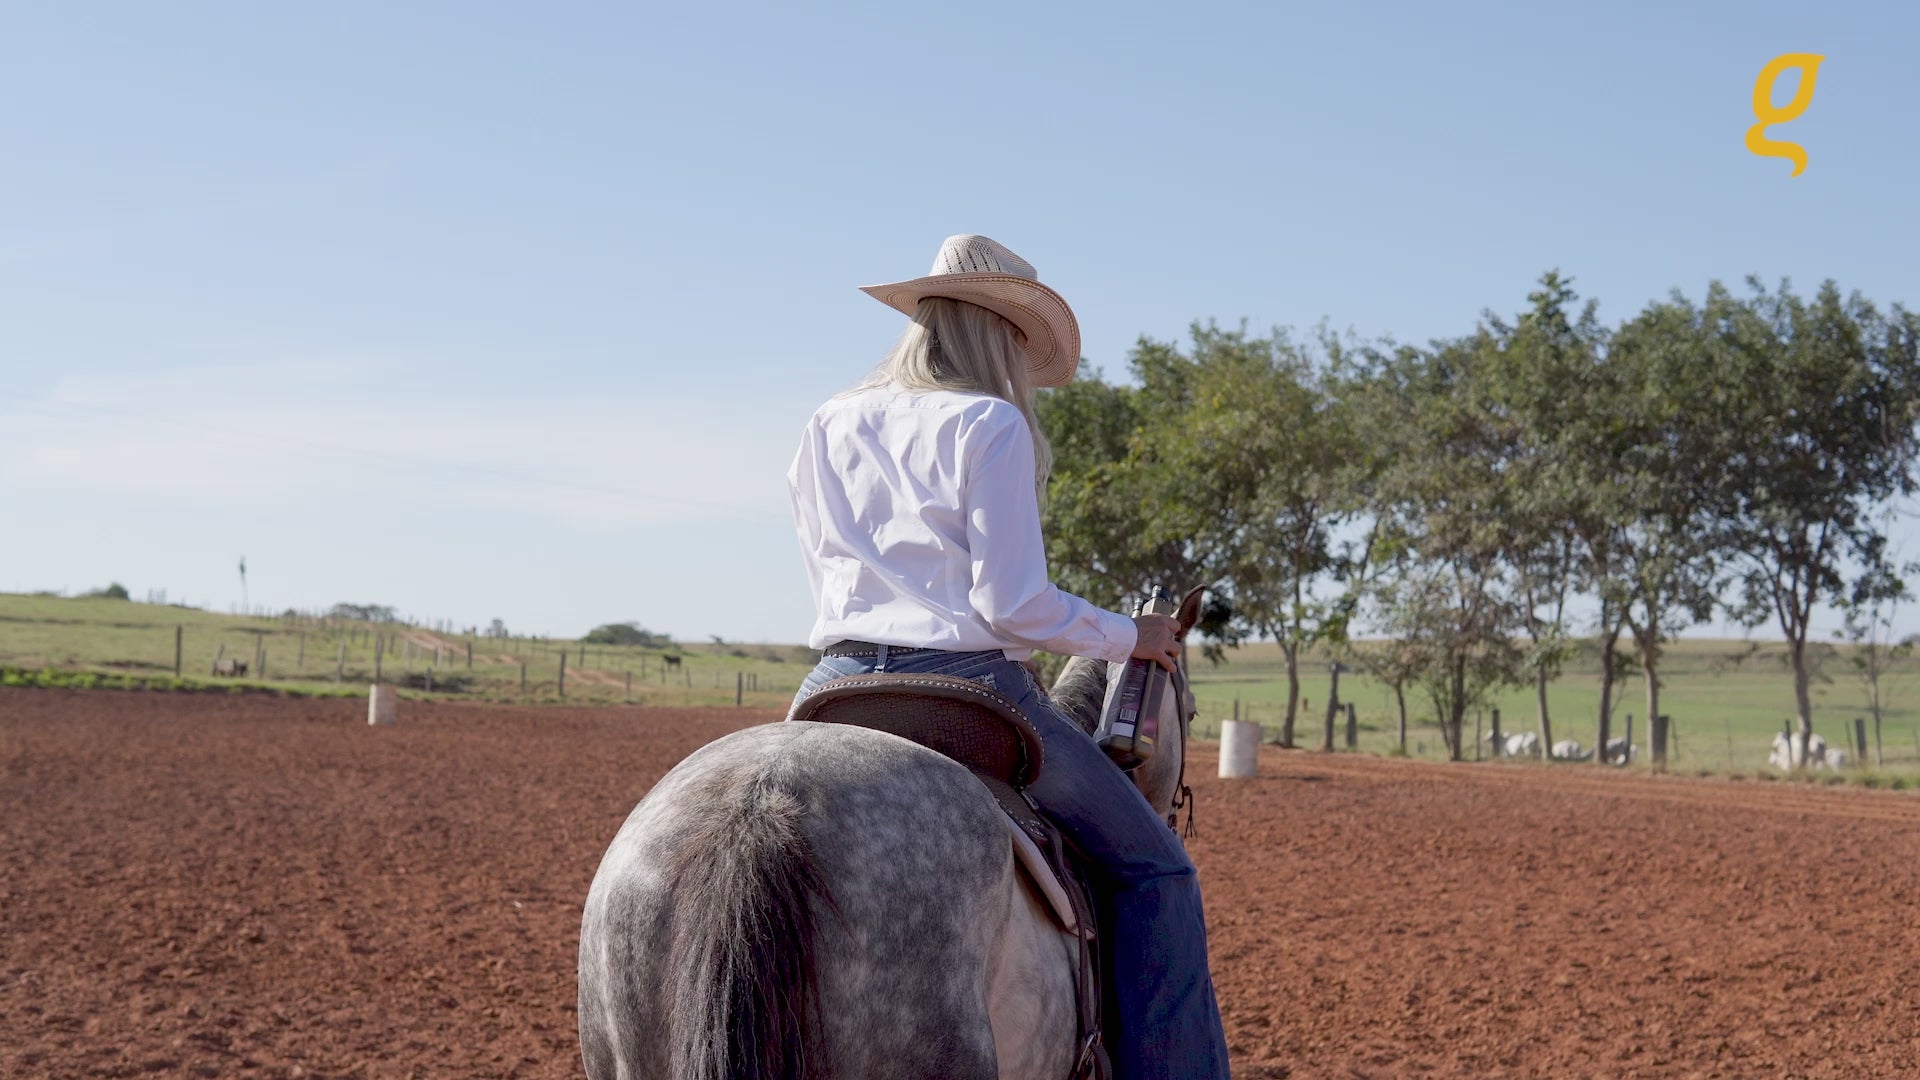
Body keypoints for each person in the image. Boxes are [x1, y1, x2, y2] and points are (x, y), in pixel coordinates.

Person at [787, 234, 1230, 1079]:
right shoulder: (989, 424)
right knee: (1157, 874)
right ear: (1004, 333)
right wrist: (1128, 635)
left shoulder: (827, 419)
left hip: (835, 684)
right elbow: (1013, 607)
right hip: (967, 691)